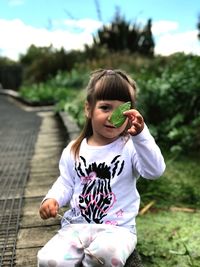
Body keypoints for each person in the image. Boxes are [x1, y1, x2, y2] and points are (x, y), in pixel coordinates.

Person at [37, 69, 166, 267]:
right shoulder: (74, 149)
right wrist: (52, 198)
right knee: (48, 259)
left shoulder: (130, 147)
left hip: (117, 230)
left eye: (121, 111)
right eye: (105, 107)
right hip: (76, 227)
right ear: (88, 108)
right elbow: (66, 182)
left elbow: (155, 171)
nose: (113, 116)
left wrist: (141, 135)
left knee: (106, 254)